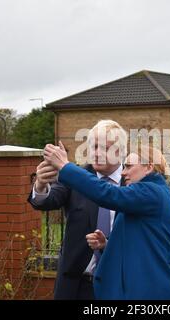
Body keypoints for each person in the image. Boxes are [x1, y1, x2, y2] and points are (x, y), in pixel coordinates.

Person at [44, 142, 170, 300]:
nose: (123, 172)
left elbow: (106, 194)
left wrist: (65, 166)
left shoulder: (151, 191)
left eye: (128, 166)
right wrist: (108, 244)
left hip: (157, 291)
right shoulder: (146, 196)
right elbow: (144, 242)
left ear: (148, 167)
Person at [28, 120, 127, 300]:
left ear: (120, 151)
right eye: (93, 147)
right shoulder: (77, 178)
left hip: (121, 284)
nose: (97, 153)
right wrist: (41, 185)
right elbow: (46, 201)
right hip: (77, 286)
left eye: (104, 148)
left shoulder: (132, 182)